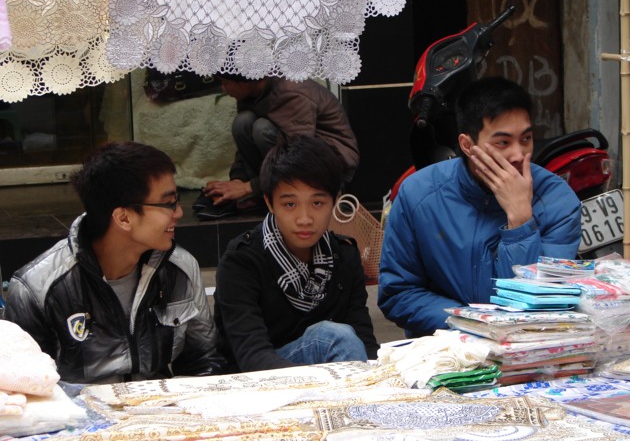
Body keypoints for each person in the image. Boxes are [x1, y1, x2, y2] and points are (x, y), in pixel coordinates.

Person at [378, 77, 582, 337]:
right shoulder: (418, 195)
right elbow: (398, 293)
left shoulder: (558, 201)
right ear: (467, 145)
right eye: (503, 142)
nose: (518, 155)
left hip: (529, 348)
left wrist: (520, 220)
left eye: (526, 139)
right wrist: (472, 324)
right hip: (445, 349)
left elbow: (540, 305)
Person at [5, 141, 224, 384]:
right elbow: (26, 385)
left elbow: (203, 359)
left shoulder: (179, 268)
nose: (179, 213)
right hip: (77, 407)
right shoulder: (37, 288)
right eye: (169, 203)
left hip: (160, 403)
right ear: (123, 218)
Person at [212, 136, 378, 373]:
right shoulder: (242, 261)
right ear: (270, 203)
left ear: (334, 201)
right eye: (290, 204)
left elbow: (365, 342)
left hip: (327, 378)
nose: (304, 219)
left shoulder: (344, 256)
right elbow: (252, 355)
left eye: (317, 203)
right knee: (332, 338)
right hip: (253, 380)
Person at [194, 75, 359, 219]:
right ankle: (266, 193)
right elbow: (244, 148)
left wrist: (249, 187)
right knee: (243, 122)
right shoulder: (249, 94)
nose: (223, 88)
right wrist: (237, 180)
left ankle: (272, 190)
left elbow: (301, 155)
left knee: (262, 129)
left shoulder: (290, 91)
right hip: (293, 153)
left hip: (329, 161)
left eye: (226, 83)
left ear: (244, 81)